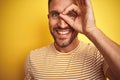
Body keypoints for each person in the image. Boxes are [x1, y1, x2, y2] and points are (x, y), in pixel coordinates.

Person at [25, 0, 120, 80]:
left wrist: (92, 29)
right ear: (49, 18)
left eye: (70, 14)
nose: (62, 25)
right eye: (55, 14)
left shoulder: (100, 54)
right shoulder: (32, 58)